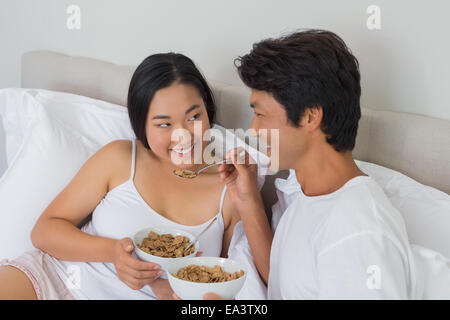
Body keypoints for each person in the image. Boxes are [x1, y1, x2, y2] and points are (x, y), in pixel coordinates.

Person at [0, 53, 240, 300]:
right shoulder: (120, 157)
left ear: (208, 110)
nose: (183, 136)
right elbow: (44, 232)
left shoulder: (230, 188)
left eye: (193, 117)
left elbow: (227, 283)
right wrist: (113, 252)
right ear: (142, 124)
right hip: (57, 280)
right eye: (164, 124)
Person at [217, 29, 418, 299]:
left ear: (310, 117)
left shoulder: (358, 233)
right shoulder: (306, 193)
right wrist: (248, 199)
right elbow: (285, 282)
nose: (252, 131)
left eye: (261, 114)